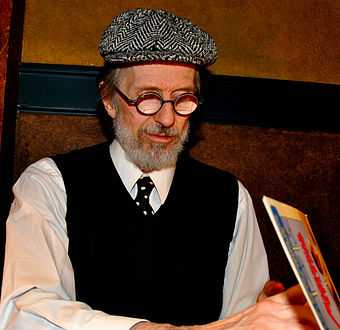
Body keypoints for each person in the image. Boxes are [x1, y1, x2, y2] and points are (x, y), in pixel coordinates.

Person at [0, 8, 317, 330]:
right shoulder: (50, 183)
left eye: (183, 99)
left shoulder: (229, 195)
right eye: (148, 98)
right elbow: (24, 307)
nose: (167, 119)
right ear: (109, 100)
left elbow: (242, 317)